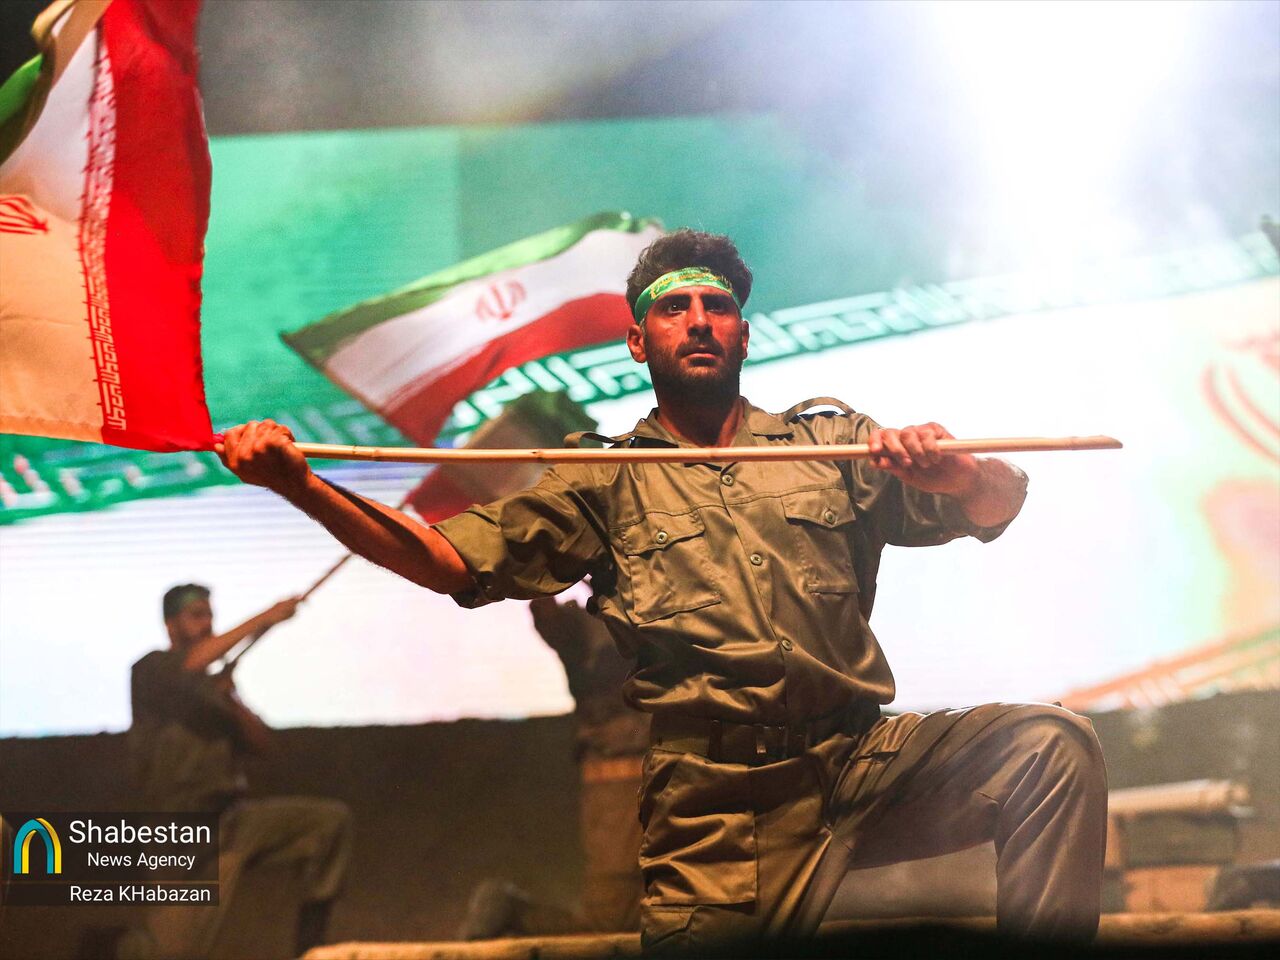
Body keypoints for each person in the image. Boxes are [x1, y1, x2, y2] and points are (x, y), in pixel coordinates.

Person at [217, 229, 1107, 952]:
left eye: (718, 307)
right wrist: (303, 488)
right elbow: (446, 561)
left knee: (1049, 747)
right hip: (716, 811)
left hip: (861, 761)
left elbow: (1000, 503)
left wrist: (965, 475)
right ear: (639, 342)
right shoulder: (604, 481)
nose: (700, 321)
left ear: (744, 335)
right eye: (674, 309)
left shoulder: (828, 443)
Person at [124, 585, 352, 960]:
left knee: (328, 823)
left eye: (209, 615)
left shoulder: (211, 691)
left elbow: (264, 748)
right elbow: (192, 663)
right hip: (177, 831)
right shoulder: (151, 671)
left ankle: (311, 950)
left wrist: (230, 697)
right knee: (171, 951)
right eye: (196, 615)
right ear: (171, 625)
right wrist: (266, 616)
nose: (207, 623)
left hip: (230, 824)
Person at [459, 593, 648, 939]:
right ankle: (511, 912)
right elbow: (546, 609)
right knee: (613, 924)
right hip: (619, 787)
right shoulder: (588, 623)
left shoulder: (660, 606)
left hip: (669, 779)